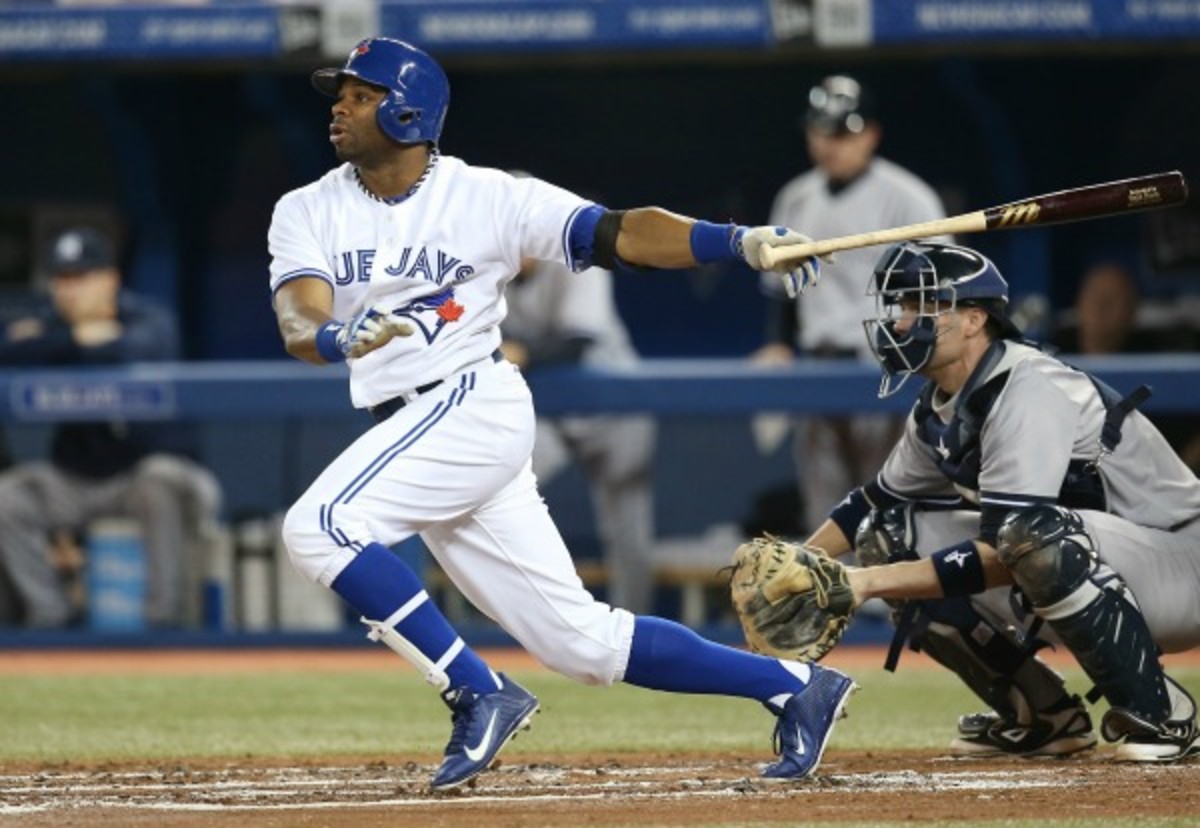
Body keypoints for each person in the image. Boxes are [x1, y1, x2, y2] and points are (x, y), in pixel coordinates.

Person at [268, 36, 855, 791]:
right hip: (412, 423)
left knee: (318, 527)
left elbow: (620, 231)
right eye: (339, 93)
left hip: (470, 402)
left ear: (410, 110)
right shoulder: (306, 208)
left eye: (360, 93)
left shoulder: (488, 195)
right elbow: (296, 313)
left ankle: (478, 692)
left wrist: (735, 241)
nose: (340, 106)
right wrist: (327, 334)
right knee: (581, 644)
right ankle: (794, 687)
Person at [802, 240, 1200, 762]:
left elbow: (1005, 547)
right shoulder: (938, 408)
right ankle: (1042, 715)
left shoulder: (1028, 386)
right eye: (900, 307)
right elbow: (869, 507)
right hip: (1102, 565)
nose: (901, 322)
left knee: (1029, 536)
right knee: (887, 535)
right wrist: (801, 564)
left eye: (921, 306)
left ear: (972, 320)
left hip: (1180, 566)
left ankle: (1165, 715)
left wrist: (864, 584)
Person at [0, 225, 222, 628]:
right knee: (9, 497)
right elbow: (9, 346)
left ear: (110, 280)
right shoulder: (53, 323)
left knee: (158, 481)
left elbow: (142, 346)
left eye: (81, 279)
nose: (69, 291)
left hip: (147, 474)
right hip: (75, 482)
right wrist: (77, 338)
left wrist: (61, 342)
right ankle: (52, 616)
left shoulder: (148, 317)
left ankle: (166, 623)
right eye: (62, 280)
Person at [753, 75, 948, 532]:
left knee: (893, 504)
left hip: (885, 366)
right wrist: (780, 345)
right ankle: (838, 600)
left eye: (843, 133)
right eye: (821, 132)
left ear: (871, 134)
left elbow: (940, 289)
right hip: (818, 366)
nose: (830, 145)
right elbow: (782, 291)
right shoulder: (795, 198)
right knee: (825, 511)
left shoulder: (909, 197)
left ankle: (893, 597)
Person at [499, 231, 657, 614]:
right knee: (497, 491)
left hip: (614, 407)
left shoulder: (576, 259)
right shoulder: (487, 270)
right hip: (550, 411)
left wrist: (519, 351)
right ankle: (520, 617)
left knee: (627, 532)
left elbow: (577, 342)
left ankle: (636, 627)